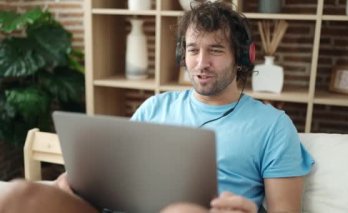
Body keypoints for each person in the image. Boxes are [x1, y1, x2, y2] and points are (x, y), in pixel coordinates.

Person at [0, 1, 313, 212]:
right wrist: (72, 181)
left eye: (215, 50)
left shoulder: (273, 125)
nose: (201, 63)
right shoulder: (155, 107)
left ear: (243, 57)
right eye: (193, 50)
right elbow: (114, 171)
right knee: (17, 195)